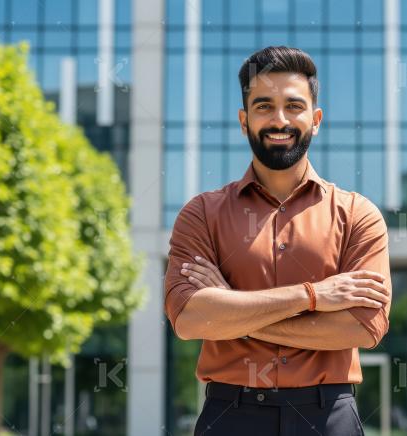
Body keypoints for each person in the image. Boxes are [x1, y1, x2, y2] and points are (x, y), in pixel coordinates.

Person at [164, 45, 392, 436]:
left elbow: (362, 327)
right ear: (244, 120)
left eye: (294, 106)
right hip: (230, 416)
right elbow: (188, 320)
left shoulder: (358, 215)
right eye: (264, 106)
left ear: (316, 119)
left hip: (328, 417)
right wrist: (314, 296)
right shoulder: (201, 213)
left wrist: (234, 314)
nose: (280, 119)